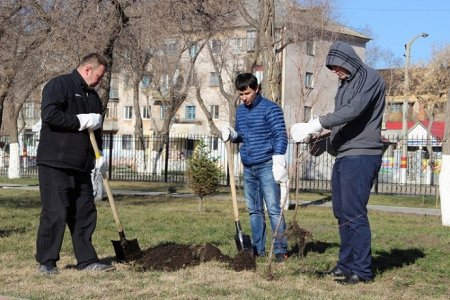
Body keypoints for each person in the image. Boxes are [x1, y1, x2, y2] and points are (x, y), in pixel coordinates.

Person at [291, 41, 386, 284]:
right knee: (342, 211)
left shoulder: (369, 78)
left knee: (354, 213)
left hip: (362, 153)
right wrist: (321, 138)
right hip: (345, 153)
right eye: (332, 68)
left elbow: (353, 111)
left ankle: (362, 271)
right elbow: (344, 121)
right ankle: (345, 265)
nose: (335, 71)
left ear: (348, 60)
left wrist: (316, 123)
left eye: (337, 66)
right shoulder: (344, 84)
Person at [35, 53, 113, 275]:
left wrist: (99, 157)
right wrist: (80, 121)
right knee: (56, 212)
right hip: (55, 163)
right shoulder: (59, 85)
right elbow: (50, 115)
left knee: (85, 213)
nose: (99, 82)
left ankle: (87, 261)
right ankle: (47, 262)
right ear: (88, 69)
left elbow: (95, 132)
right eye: (98, 77)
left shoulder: (93, 98)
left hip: (82, 165)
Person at [221, 73, 289, 262]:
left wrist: (278, 160)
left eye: (247, 93)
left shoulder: (271, 109)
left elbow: (280, 135)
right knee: (254, 210)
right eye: (241, 95)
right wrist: (232, 134)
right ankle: (257, 248)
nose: (244, 98)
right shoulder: (241, 111)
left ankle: (280, 250)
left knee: (273, 209)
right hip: (248, 166)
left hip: (267, 164)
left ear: (256, 89)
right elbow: (242, 135)